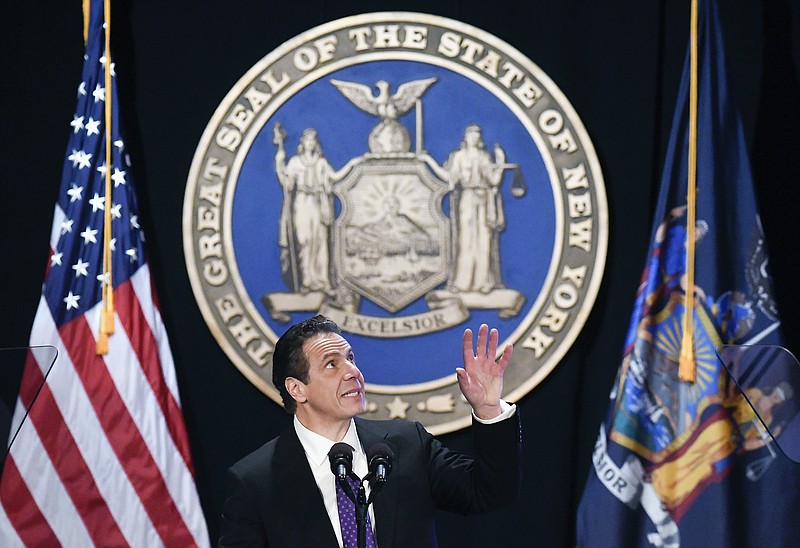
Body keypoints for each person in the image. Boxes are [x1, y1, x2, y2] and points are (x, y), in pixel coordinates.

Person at [219, 315, 521, 547]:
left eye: (350, 359)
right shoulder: (255, 481)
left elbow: (489, 491)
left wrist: (488, 408)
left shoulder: (405, 445)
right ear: (297, 389)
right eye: (331, 365)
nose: (352, 372)